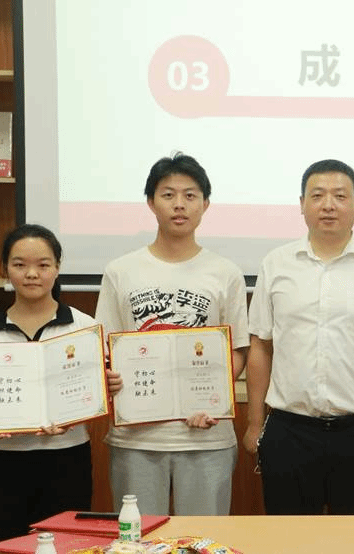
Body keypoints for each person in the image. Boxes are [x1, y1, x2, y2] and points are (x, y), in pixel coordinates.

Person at [243, 159, 354, 515]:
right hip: (289, 431)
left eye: (340, 196)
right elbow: (261, 346)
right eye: (318, 195)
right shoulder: (276, 264)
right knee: (288, 539)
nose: (328, 205)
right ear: (302, 204)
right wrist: (255, 423)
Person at [95, 152, 249, 516]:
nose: (179, 204)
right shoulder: (121, 271)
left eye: (190, 195)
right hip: (136, 436)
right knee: (137, 538)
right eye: (168, 195)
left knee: (204, 539)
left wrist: (213, 398)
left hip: (206, 437)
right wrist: (109, 376)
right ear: (151, 202)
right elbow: (105, 349)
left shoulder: (225, 272)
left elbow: (238, 350)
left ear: (205, 204)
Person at [0, 224, 101, 541]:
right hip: (1, 463)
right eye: (19, 264)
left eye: (43, 265)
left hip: (66, 458)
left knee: (65, 544)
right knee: (7, 542)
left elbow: (98, 396)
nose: (31, 274)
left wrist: (99, 394)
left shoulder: (84, 328)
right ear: (5, 269)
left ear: (57, 268)